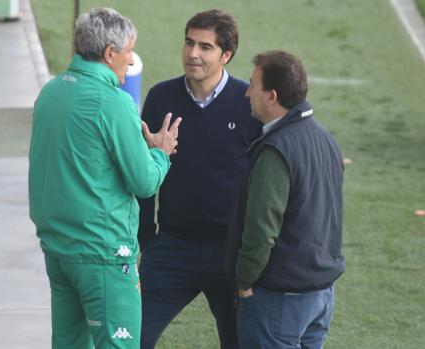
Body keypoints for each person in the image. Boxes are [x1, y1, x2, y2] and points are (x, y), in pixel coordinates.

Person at [28, 8, 181, 349]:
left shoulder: (50, 92)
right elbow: (144, 182)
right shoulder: (114, 104)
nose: (130, 61)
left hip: (58, 249)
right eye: (129, 51)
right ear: (110, 53)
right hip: (102, 252)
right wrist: (161, 152)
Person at [138, 9, 262, 349]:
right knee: (130, 338)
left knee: (240, 342)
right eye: (189, 43)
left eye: (205, 47)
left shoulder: (248, 103)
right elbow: (143, 172)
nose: (193, 53)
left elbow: (265, 184)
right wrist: (146, 239)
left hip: (229, 254)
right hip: (171, 248)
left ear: (226, 55)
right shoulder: (161, 98)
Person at [226, 50, 345, 349]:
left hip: (280, 300)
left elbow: (261, 229)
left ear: (271, 96)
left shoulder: (276, 150)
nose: (247, 94)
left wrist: (244, 282)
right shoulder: (325, 139)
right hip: (320, 294)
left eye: (253, 85)